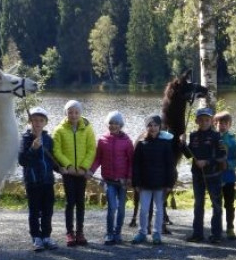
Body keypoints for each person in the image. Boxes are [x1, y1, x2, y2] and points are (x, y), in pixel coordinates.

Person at [52, 99, 96, 247]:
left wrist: (84, 167)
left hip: (81, 172)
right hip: (68, 172)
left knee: (81, 202)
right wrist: (68, 165)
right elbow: (56, 150)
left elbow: (91, 149)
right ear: (66, 113)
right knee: (70, 202)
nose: (73, 115)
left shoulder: (88, 128)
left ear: (80, 113)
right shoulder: (59, 129)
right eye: (70, 112)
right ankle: (69, 233)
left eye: (76, 112)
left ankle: (80, 232)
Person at [183, 107, 227, 243]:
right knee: (198, 204)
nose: (204, 122)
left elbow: (222, 155)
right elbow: (188, 154)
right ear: (196, 121)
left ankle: (217, 235)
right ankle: (197, 234)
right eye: (201, 120)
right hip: (197, 176)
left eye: (207, 120)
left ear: (212, 121)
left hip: (213, 175)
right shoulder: (193, 135)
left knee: (217, 205)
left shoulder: (217, 136)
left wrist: (206, 162)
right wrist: (182, 144)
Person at [90, 111, 134, 245]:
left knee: (121, 208)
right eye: (111, 123)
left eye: (116, 123)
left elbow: (132, 161)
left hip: (122, 182)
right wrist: (91, 170)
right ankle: (109, 233)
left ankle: (117, 233)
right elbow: (97, 159)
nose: (113, 125)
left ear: (121, 125)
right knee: (112, 207)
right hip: (108, 181)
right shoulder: (102, 140)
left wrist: (129, 178)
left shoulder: (127, 141)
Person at [18, 106, 58, 251]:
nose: (38, 123)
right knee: (34, 211)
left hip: (47, 181)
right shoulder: (25, 139)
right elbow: (22, 161)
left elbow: (51, 161)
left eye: (41, 120)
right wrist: (33, 149)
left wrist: (62, 170)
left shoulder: (48, 139)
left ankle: (46, 236)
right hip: (33, 182)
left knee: (48, 210)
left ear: (45, 123)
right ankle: (36, 237)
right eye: (34, 120)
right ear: (30, 122)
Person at [131, 115, 174, 245]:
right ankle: (142, 232)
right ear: (147, 127)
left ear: (160, 126)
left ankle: (157, 234)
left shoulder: (165, 144)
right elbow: (136, 165)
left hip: (160, 183)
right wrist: (136, 183)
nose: (153, 128)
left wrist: (169, 183)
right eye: (150, 125)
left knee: (159, 209)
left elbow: (169, 165)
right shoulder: (141, 144)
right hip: (144, 183)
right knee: (143, 209)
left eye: (155, 125)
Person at [214, 111, 236, 240]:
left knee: (229, 204)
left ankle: (230, 228)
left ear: (229, 125)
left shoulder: (233, 140)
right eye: (218, 123)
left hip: (228, 177)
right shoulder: (212, 138)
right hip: (215, 177)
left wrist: (228, 164)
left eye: (224, 123)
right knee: (216, 204)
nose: (221, 125)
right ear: (215, 124)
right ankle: (217, 229)